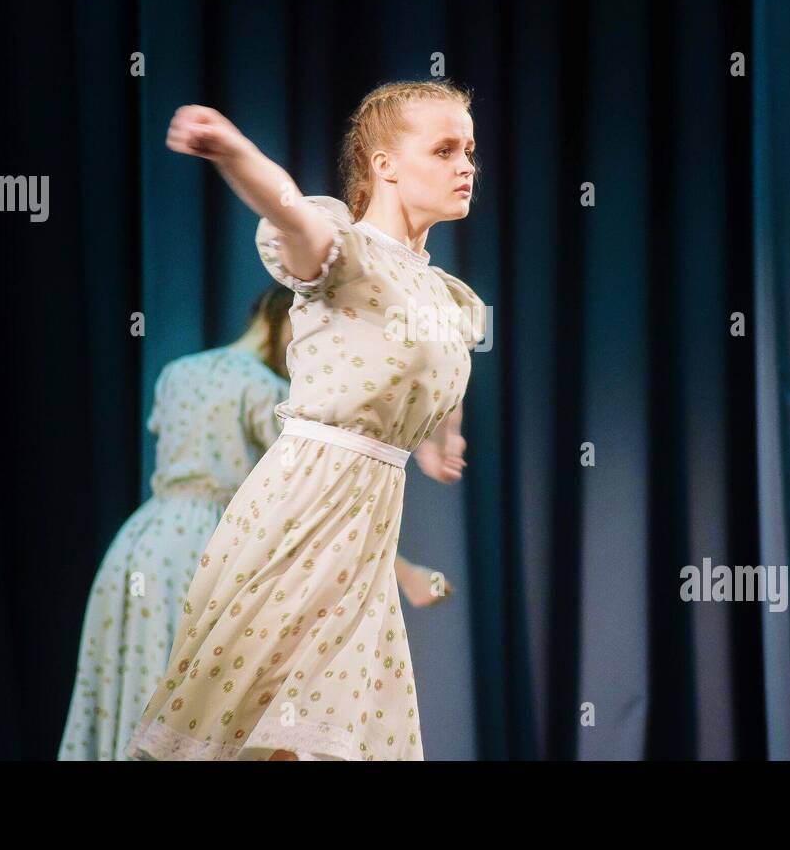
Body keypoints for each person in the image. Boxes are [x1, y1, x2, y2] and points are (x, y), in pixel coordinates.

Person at [124, 79, 485, 761]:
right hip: (302, 514)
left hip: (367, 534)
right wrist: (233, 151)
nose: (466, 164)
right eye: (444, 149)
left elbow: (438, 368)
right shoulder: (345, 251)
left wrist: (442, 439)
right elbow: (291, 213)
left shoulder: (449, 298)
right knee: (275, 732)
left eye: (469, 149)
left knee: (325, 738)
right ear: (385, 164)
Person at [60, 279, 464, 760]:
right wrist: (406, 572)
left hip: (144, 541)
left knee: (145, 685)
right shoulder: (269, 393)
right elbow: (322, 499)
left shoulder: (177, 372)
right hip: (216, 543)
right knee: (207, 700)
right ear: (288, 320)